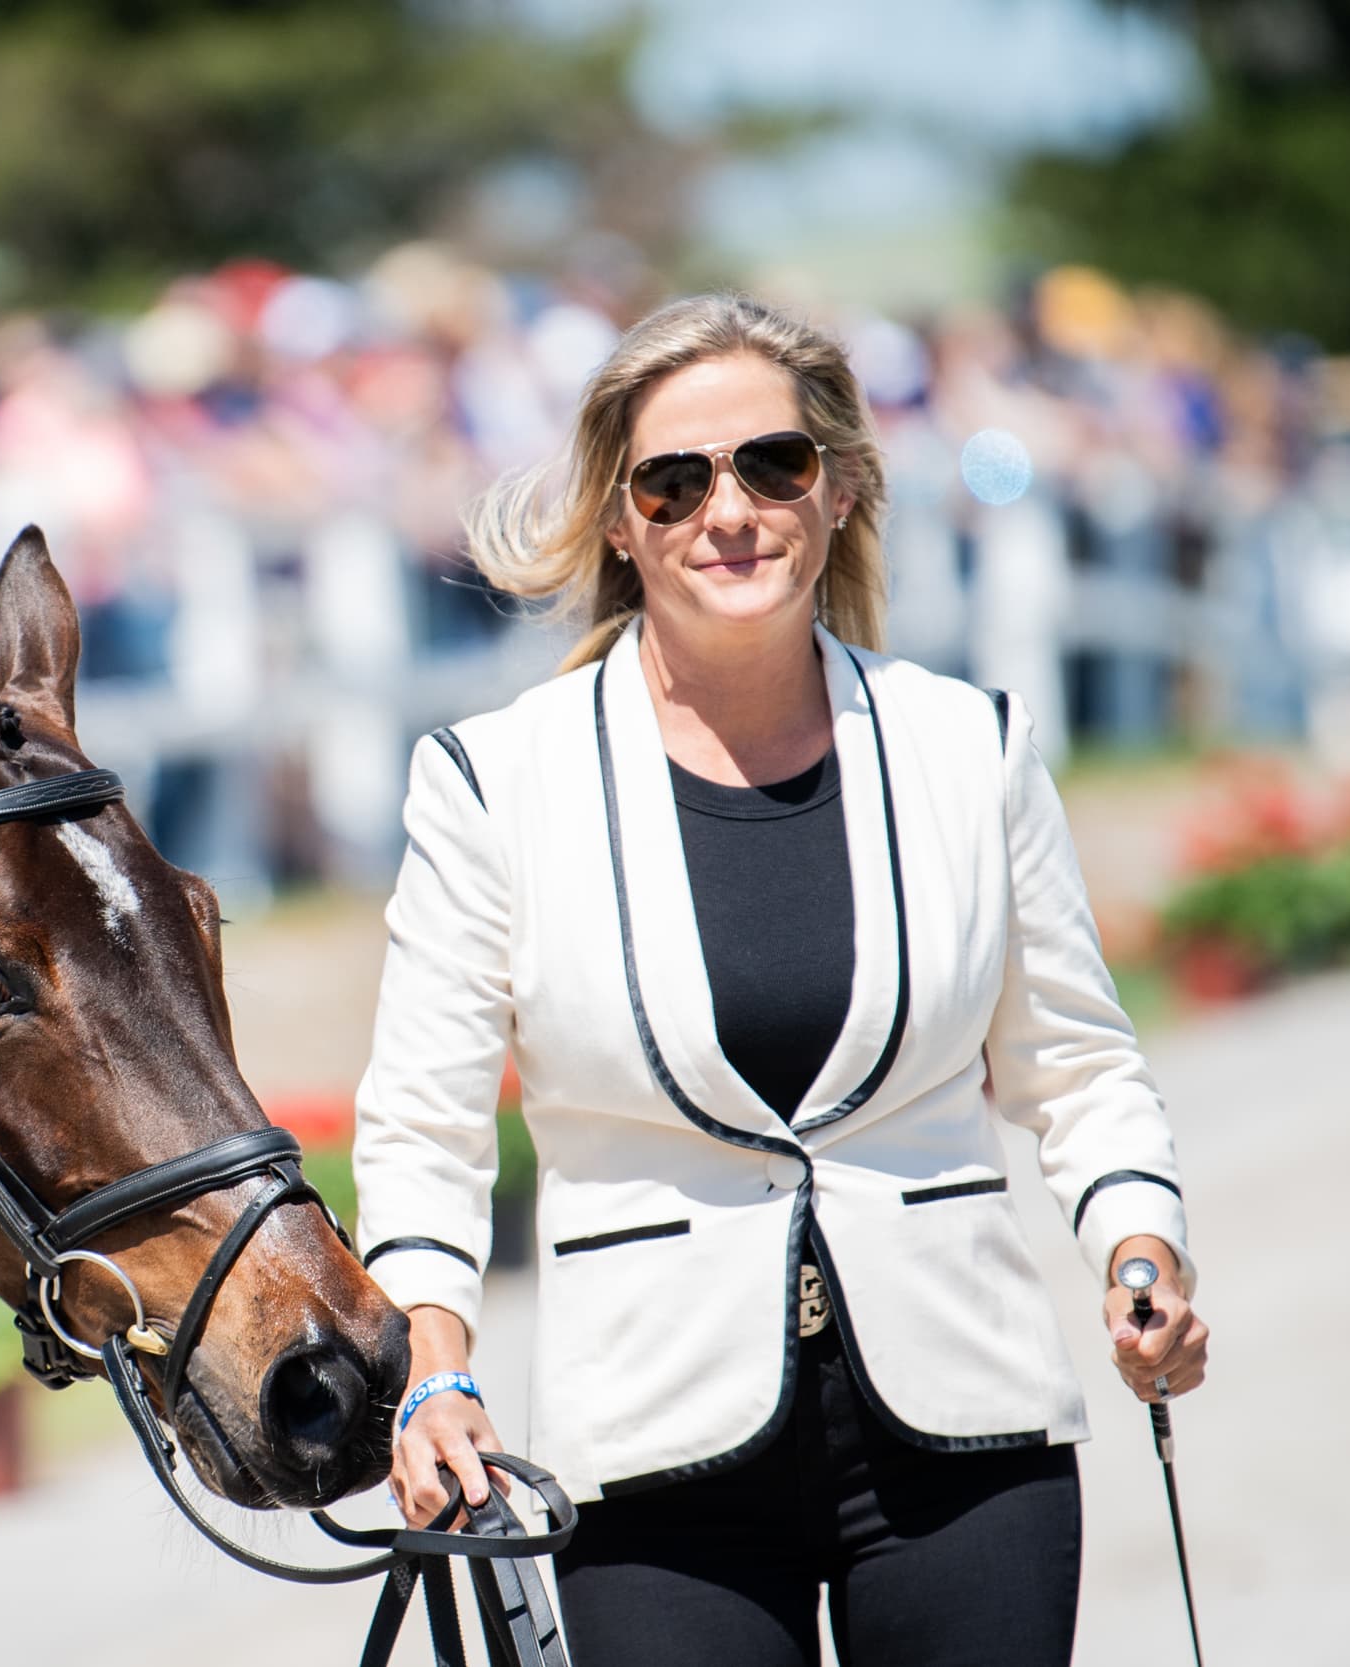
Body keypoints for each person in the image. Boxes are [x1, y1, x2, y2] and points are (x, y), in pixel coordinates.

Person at [349, 293, 1208, 1666]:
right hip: (651, 1457)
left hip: (968, 1437)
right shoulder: (493, 784)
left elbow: (1082, 1064)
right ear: (623, 522)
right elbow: (423, 1127)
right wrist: (435, 1371)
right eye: (675, 481)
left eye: (772, 464)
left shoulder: (969, 745)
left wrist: (1137, 1244)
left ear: (841, 488)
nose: (728, 509)